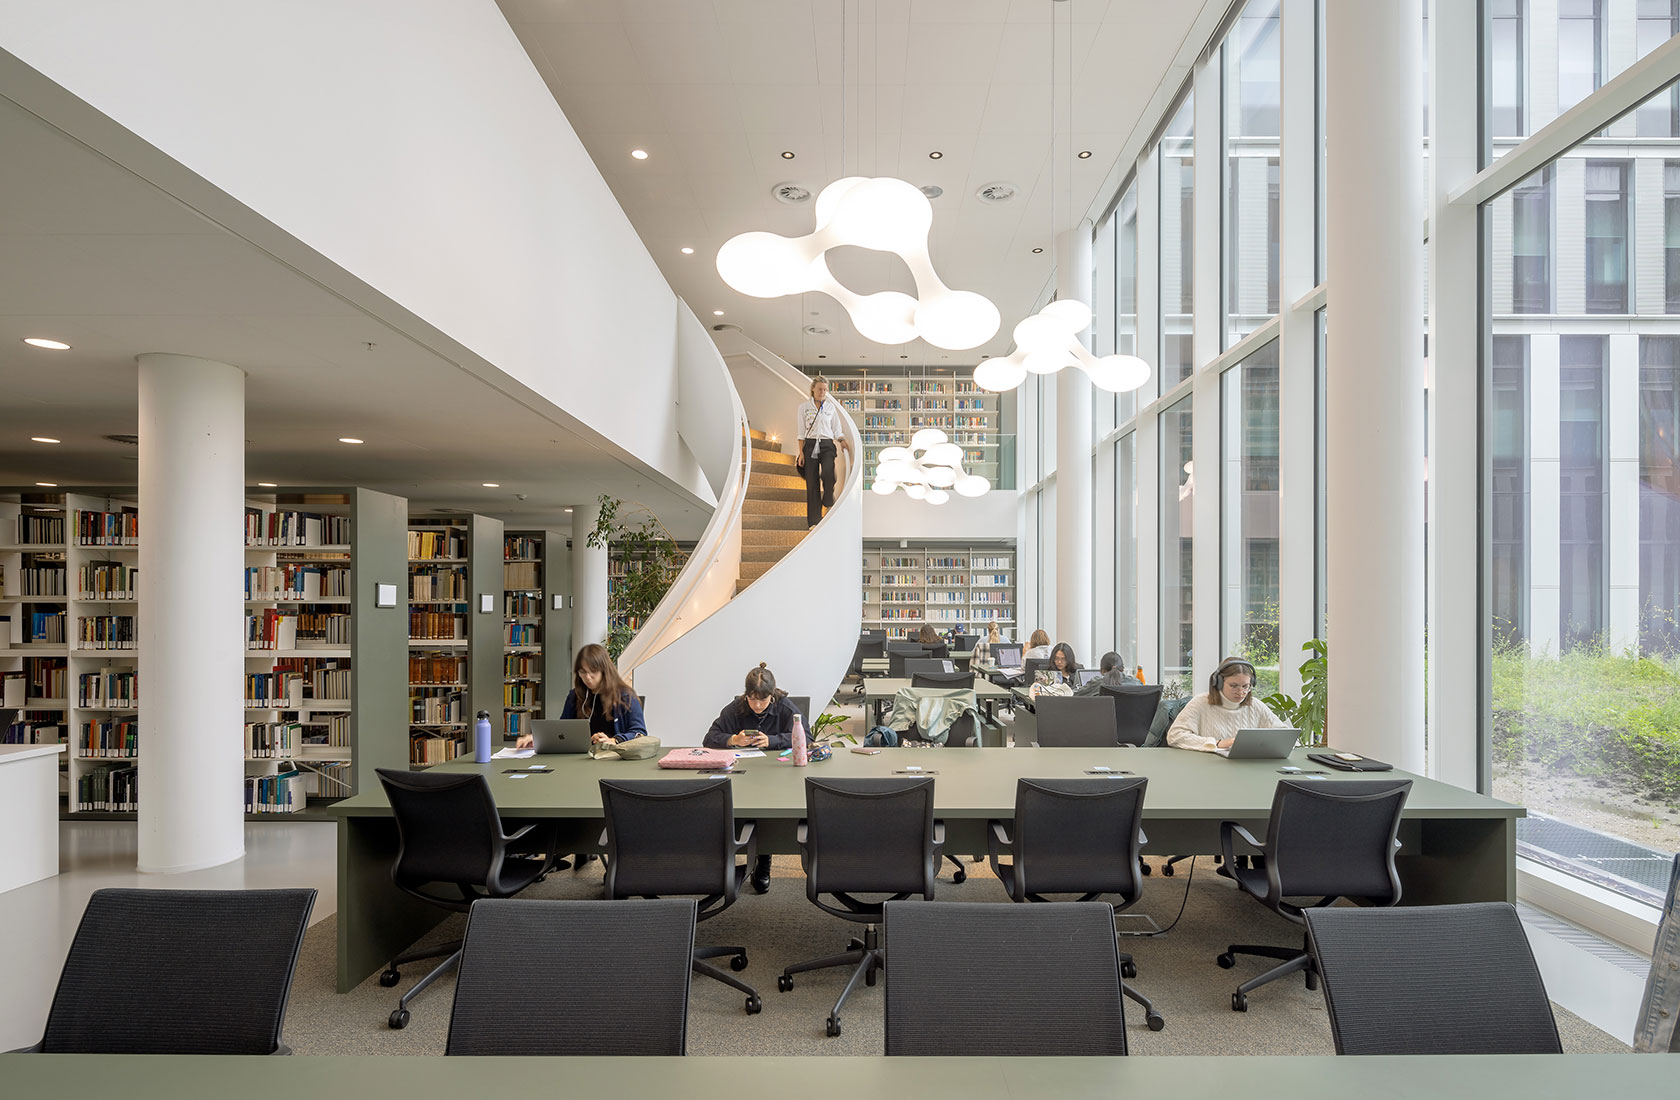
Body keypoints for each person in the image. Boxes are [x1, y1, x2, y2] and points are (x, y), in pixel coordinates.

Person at [703, 663, 799, 894]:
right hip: (741, 773)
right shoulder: (736, 708)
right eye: (752, 699)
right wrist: (733, 740)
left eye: (763, 700)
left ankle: (763, 861)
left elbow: (805, 737)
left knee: (766, 807)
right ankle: (730, 859)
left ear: (772, 696)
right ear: (746, 695)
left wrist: (773, 741)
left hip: (776, 774)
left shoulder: (785, 707)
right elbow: (709, 738)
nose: (757, 705)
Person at [514, 643, 647, 749]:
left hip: (614, 759)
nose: (588, 677)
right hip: (579, 759)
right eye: (583, 672)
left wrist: (614, 740)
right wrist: (537, 738)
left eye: (593, 671)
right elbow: (561, 730)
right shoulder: (575, 696)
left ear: (604, 671)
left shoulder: (625, 696)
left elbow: (639, 732)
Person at [1166, 656, 1285, 753]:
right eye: (1234, 686)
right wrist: (1217, 743)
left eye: (1245, 686)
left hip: (1247, 769)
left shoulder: (1256, 706)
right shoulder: (1200, 703)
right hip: (1207, 769)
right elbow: (1175, 736)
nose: (1240, 692)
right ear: (1218, 682)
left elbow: (1285, 734)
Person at [794, 374, 851, 528]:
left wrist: (842, 440)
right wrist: (801, 453)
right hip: (810, 445)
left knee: (828, 472)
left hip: (826, 444)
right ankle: (814, 521)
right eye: (820, 389)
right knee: (812, 484)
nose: (823, 392)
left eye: (825, 390)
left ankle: (827, 496)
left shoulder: (831, 407)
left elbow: (836, 428)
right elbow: (801, 433)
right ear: (813, 389)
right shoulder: (804, 408)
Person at [1074, 651, 1141, 695]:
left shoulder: (1096, 683)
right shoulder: (1137, 683)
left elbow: (1075, 695)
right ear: (1123, 669)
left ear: (1102, 671)